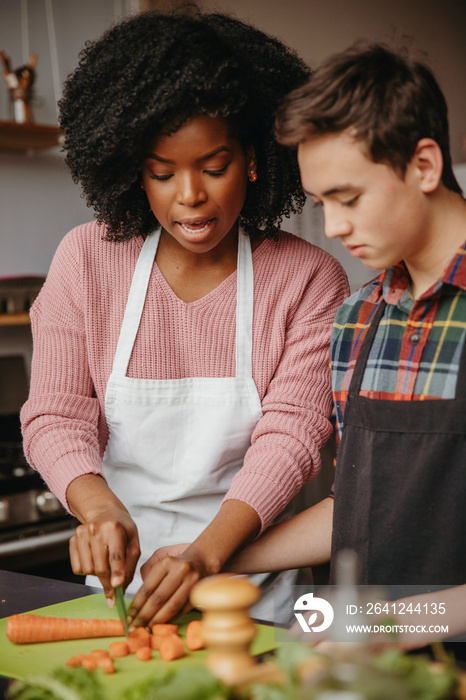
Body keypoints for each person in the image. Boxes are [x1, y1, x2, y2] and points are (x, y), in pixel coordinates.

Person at [20, 9, 349, 626]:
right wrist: (98, 509)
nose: (189, 195)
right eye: (162, 173)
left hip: (255, 598)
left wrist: (207, 554)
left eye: (214, 167)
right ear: (131, 172)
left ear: (253, 158)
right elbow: (55, 413)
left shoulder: (306, 278)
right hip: (120, 596)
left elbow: (292, 438)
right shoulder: (87, 259)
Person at [227, 41, 466, 651]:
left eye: (349, 198)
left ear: (425, 165)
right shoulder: (358, 317)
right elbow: (357, 508)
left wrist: (383, 629)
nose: (332, 227)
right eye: (321, 203)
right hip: (372, 671)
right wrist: (217, 559)